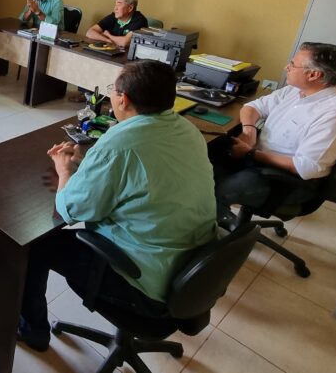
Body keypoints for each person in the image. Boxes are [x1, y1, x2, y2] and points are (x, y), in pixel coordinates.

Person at [17, 60, 217, 352]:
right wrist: (89, 164)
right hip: (193, 271)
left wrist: (64, 170)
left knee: (37, 246)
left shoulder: (119, 143)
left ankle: (33, 331)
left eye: (113, 89)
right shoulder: (188, 130)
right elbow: (145, 175)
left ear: (123, 99)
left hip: (146, 289)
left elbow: (71, 209)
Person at [212, 42, 336, 219]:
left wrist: (251, 153)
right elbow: (251, 107)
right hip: (256, 156)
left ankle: (209, 228)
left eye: (292, 64)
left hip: (286, 180)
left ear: (313, 74)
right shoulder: (295, 91)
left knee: (216, 189)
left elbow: (305, 167)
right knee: (200, 158)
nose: (286, 67)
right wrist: (249, 132)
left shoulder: (334, 115)